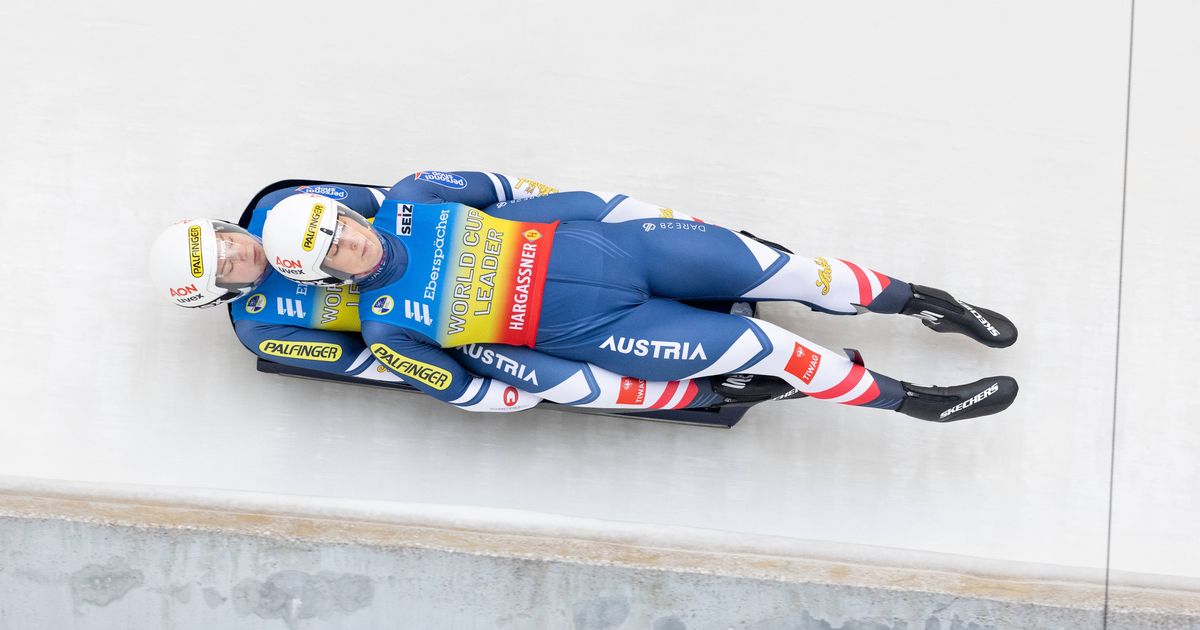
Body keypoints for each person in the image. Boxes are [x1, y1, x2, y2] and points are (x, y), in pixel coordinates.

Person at [260, 172, 1019, 422]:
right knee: (773, 347)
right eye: (328, 251)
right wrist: (576, 383)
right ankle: (912, 401)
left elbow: (516, 189)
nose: (347, 242)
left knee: (795, 271)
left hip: (621, 248)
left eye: (338, 225)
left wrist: (627, 212)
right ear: (326, 277)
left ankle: (926, 300)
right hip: (605, 325)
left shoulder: (415, 194)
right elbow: (479, 396)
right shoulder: (391, 329)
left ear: (350, 210)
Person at [148, 177, 789, 412]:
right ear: (220, 294)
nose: (241, 255)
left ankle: (725, 262)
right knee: (546, 375)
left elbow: (389, 207)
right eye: (228, 269)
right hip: (435, 329)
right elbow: (360, 363)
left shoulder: (289, 208)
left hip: (473, 264)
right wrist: (442, 365)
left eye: (229, 241)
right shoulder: (263, 329)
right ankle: (701, 390)